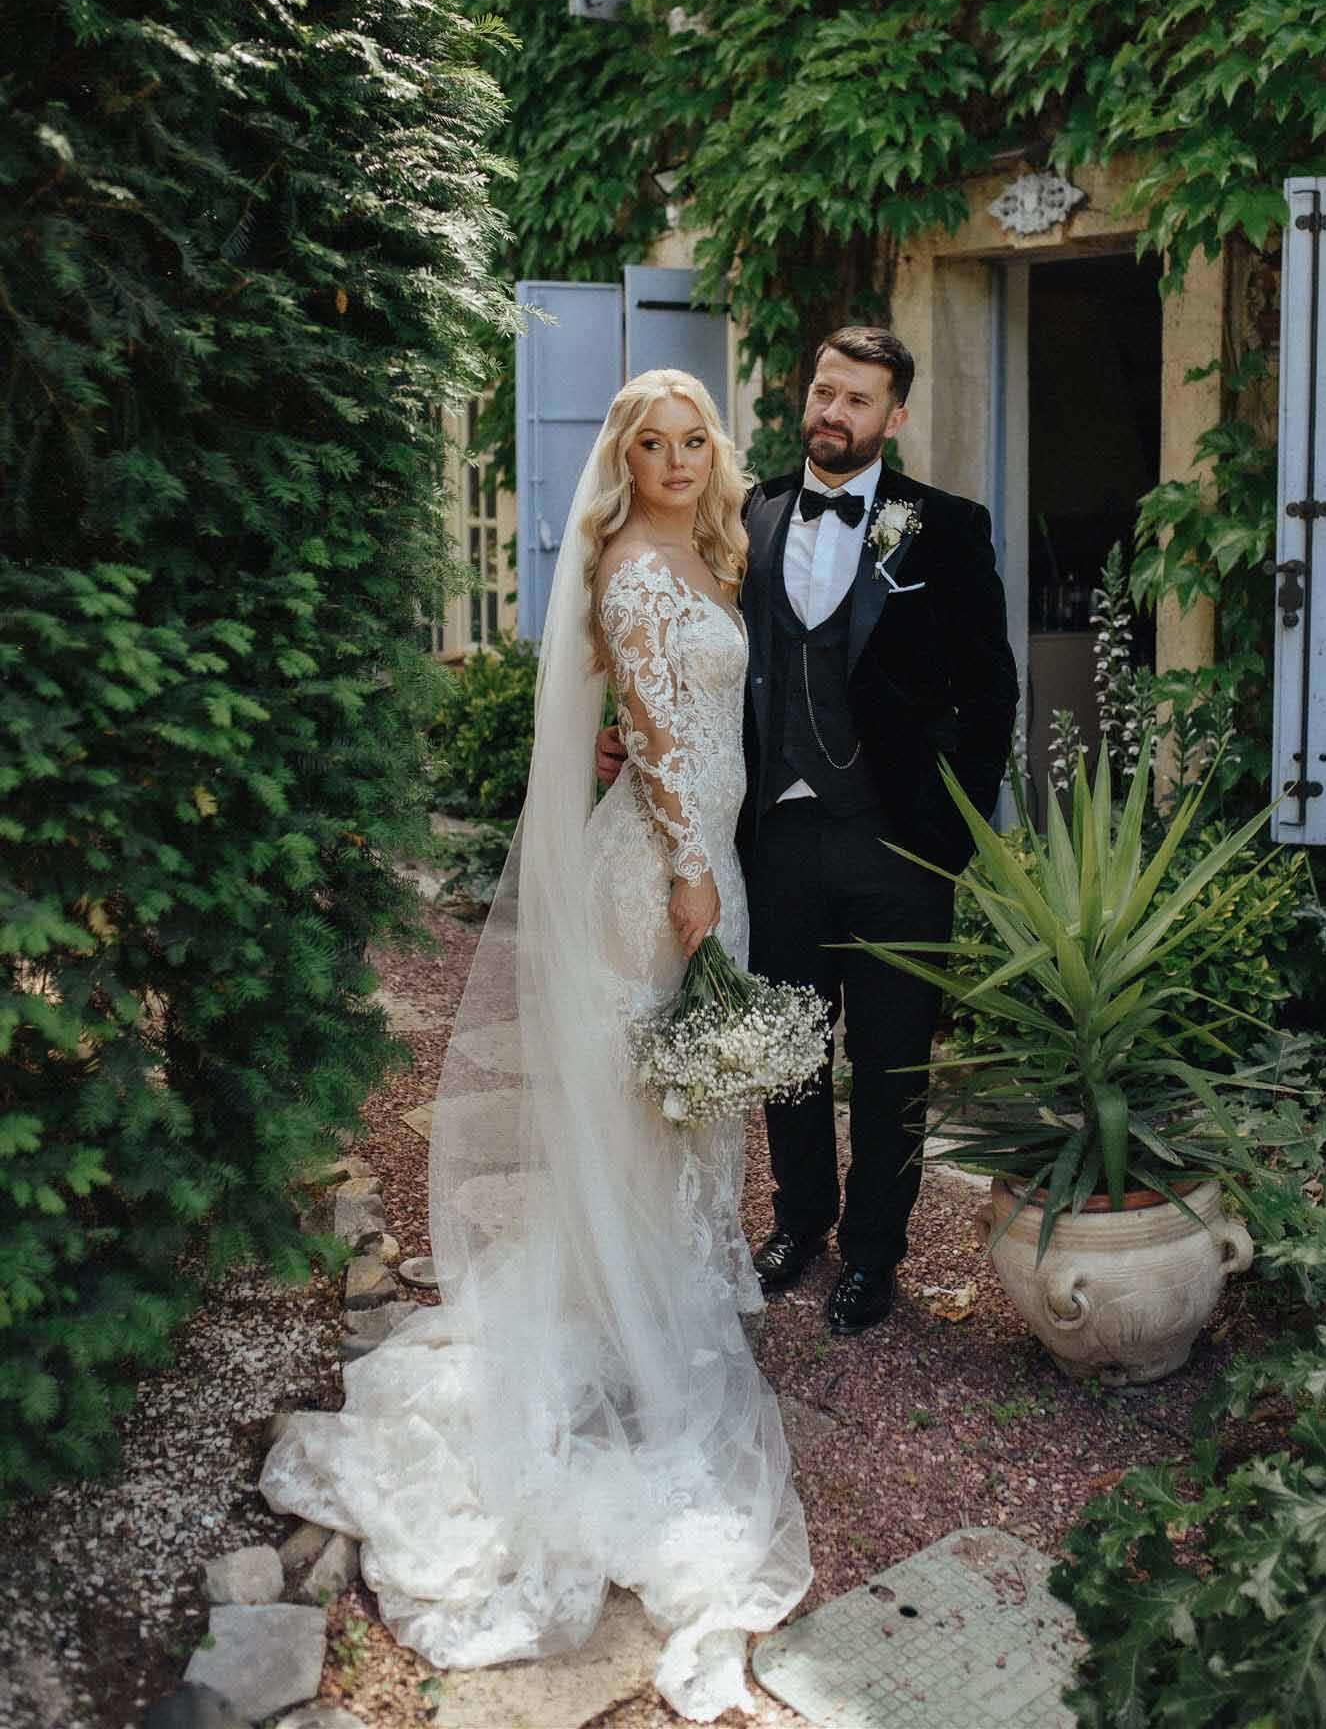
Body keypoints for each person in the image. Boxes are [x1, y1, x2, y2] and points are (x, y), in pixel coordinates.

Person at [260, 370, 811, 1723]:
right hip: (663, 873)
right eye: (652, 443)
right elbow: (667, 742)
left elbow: (673, 722)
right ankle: (640, 1325)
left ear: (710, 454)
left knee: (693, 1088)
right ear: (622, 457)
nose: (676, 460)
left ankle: (670, 1295)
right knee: (652, 1083)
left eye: (694, 441)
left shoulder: (710, 545)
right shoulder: (627, 562)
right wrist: (687, 867)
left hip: (708, 856)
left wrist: (701, 842)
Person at [598, 327, 1018, 1337]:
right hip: (772, 838)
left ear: (894, 415)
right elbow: (651, 636)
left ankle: (873, 1253)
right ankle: (798, 1221)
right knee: (786, 1047)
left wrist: (950, 831)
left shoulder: (946, 525)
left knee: (890, 1059)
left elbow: (990, 688)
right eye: (825, 392)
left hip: (898, 843)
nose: (834, 412)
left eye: (858, 399)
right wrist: (616, 738)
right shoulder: (746, 512)